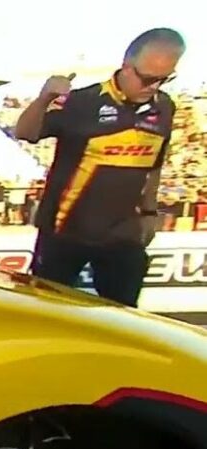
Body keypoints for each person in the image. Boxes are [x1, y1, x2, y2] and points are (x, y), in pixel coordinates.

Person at [13, 28, 183, 307]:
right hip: (65, 231)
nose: (154, 86)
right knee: (48, 312)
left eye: (165, 79)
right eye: (148, 79)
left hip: (122, 236)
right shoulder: (84, 102)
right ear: (126, 67)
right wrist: (43, 99)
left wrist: (151, 212)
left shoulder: (164, 107)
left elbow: (153, 165)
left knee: (123, 317)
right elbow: (25, 132)